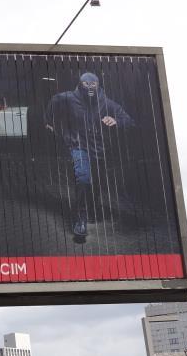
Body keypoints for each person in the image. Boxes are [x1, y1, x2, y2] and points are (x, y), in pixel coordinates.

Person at [45, 72, 134, 238]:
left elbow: (129, 121)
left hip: (99, 150)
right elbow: (54, 101)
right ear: (80, 85)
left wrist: (116, 121)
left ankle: (92, 209)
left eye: (93, 85)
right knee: (83, 178)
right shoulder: (68, 98)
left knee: (97, 182)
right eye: (86, 85)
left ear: (98, 85)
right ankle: (81, 219)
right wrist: (49, 122)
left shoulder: (107, 103)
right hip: (78, 146)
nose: (90, 88)